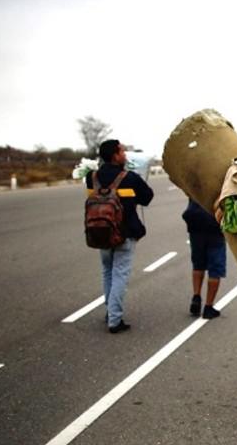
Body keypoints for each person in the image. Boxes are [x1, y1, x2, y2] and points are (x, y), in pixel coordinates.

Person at [85, 139, 154, 334]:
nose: (125, 154)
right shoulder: (130, 177)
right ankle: (114, 320)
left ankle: (110, 311)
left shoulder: (92, 177)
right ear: (115, 156)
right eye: (122, 151)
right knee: (120, 275)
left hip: (100, 231)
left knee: (107, 272)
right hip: (125, 233)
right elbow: (147, 197)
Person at [182, 199, 225, 319]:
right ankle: (208, 306)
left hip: (195, 221)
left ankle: (196, 296)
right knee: (215, 268)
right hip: (214, 223)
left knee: (198, 264)